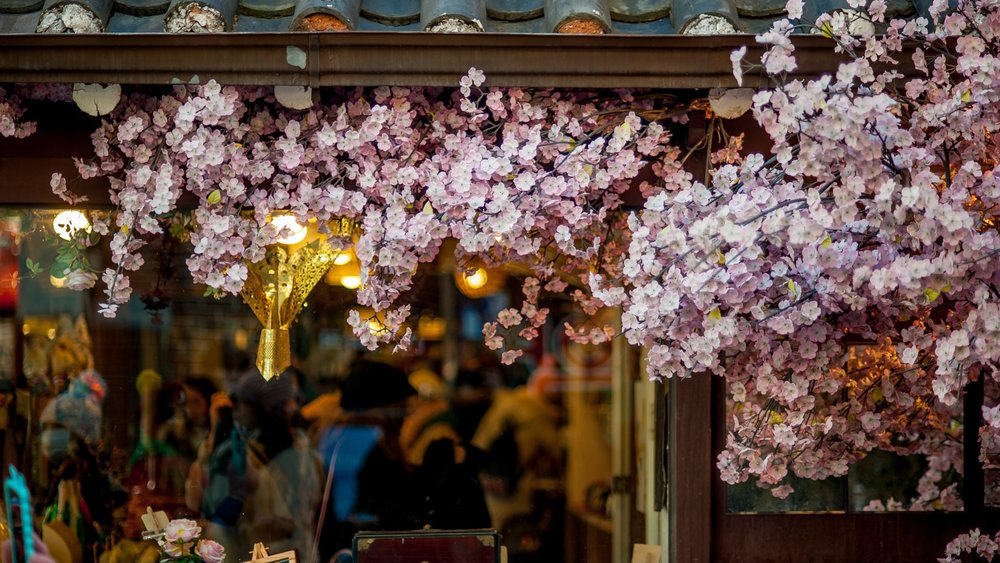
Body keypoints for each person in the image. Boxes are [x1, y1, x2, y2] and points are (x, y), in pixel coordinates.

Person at [187, 368, 323, 563]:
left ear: (259, 409)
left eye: (240, 405)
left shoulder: (239, 454)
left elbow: (201, 503)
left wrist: (217, 439)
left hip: (253, 555)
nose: (236, 413)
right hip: (299, 555)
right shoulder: (306, 452)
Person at [472, 355, 565, 562]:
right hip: (517, 491)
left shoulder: (503, 406)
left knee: (497, 544)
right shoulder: (537, 414)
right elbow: (557, 452)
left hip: (491, 489)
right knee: (518, 546)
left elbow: (478, 446)